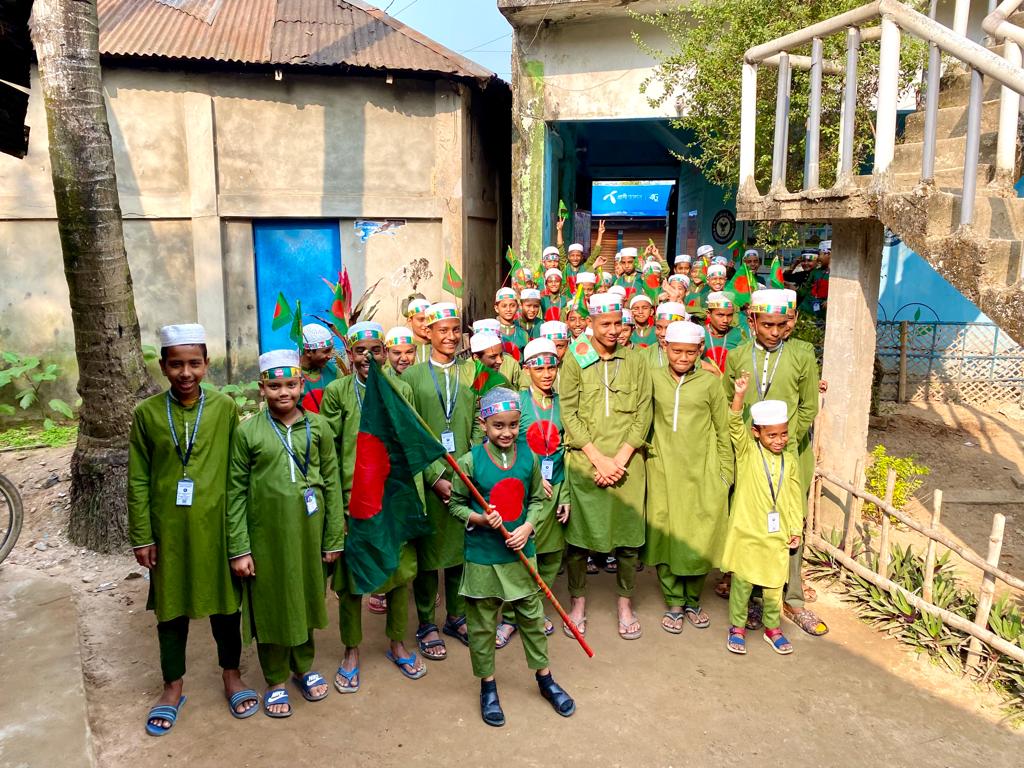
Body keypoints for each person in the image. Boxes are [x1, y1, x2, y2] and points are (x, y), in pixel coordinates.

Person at [128, 324, 256, 736]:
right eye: (177, 364)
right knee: (171, 608)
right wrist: (143, 535)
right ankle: (172, 686)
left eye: (195, 363)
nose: (186, 373)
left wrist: (241, 535)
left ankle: (231, 674)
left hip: (217, 528)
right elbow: (138, 479)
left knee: (225, 605)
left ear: (207, 364)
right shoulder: (146, 414)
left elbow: (238, 471)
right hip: (169, 532)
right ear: (163, 366)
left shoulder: (223, 408)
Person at [227, 349, 344, 717]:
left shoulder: (320, 427)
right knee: (272, 602)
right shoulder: (248, 432)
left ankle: (303, 668)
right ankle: (275, 677)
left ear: (302, 383)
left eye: (290, 384)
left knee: (307, 596)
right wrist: (240, 548)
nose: (283, 393)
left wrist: (333, 537)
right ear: (262, 388)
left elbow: (333, 484)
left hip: (309, 534)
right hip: (267, 536)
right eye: (274, 385)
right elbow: (235, 493)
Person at [449, 387, 575, 727]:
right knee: (482, 625)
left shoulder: (529, 458)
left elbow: (536, 499)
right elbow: (455, 505)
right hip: (483, 558)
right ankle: (487, 686)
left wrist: (529, 527)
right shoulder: (469, 461)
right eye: (498, 425)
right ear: (484, 424)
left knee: (532, 619)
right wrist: (478, 518)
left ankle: (545, 679)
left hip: (521, 555)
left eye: (513, 425)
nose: (506, 433)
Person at [321, 322, 427, 692]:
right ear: (350, 355)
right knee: (352, 582)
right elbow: (330, 455)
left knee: (398, 576)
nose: (368, 357)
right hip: (354, 505)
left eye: (375, 350)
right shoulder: (336, 393)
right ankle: (351, 650)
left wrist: (413, 505)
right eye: (360, 350)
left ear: (384, 353)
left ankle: (397, 643)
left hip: (393, 502)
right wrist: (338, 511)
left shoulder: (400, 389)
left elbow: (410, 448)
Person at [722, 289, 827, 637]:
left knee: (790, 525)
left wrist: (781, 445)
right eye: (767, 324)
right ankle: (751, 596)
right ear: (752, 320)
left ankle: (792, 598)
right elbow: (728, 402)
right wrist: (755, 446)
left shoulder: (802, 353)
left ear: (793, 321)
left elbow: (809, 406)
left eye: (782, 324)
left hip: (790, 454)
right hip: (750, 458)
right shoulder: (737, 355)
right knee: (752, 524)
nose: (774, 331)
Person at [560, 292, 652, 640]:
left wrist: (620, 459)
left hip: (628, 464)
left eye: (619, 323)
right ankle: (578, 603)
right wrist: (598, 459)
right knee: (579, 541)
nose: (614, 331)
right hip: (587, 463)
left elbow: (644, 411)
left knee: (629, 540)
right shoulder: (575, 357)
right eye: (606, 324)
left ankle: (625, 603)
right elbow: (569, 411)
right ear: (590, 324)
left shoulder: (636, 360)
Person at [403, 302, 482, 660]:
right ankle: (425, 622)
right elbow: (409, 432)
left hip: (466, 475)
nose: (450, 337)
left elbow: (483, 419)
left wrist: (474, 466)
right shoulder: (413, 377)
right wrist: (435, 477)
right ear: (428, 333)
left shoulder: (475, 371)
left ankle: (455, 616)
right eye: (443, 330)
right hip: (427, 478)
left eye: (456, 330)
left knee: (459, 552)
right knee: (427, 554)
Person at [644, 321, 732, 635]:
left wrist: (725, 474)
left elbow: (724, 429)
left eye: (690, 352)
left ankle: (693, 600)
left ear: (699, 351)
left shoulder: (710, 383)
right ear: (665, 348)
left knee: (699, 534)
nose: (682, 357)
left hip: (703, 470)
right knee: (666, 533)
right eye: (676, 350)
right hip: (663, 469)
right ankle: (674, 602)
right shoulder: (652, 379)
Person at [721, 381, 802, 656]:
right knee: (742, 585)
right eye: (772, 435)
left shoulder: (789, 461)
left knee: (773, 586)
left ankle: (772, 628)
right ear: (756, 433)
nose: (779, 440)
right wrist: (739, 396)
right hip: (747, 532)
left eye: (783, 434)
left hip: (776, 536)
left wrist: (795, 528)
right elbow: (734, 424)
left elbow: (793, 497)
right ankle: (737, 627)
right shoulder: (747, 452)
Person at [703, 291, 747, 374]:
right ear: (709, 314)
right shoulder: (699, 334)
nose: (725, 320)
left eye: (729, 315)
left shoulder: (739, 334)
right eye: (720, 315)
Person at [299, 323, 338, 413]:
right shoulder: (290, 374)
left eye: (331, 350)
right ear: (308, 351)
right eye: (326, 351)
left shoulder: (333, 371)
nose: (330, 356)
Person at [644, 301, 688, 370]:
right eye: (658, 327)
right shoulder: (645, 355)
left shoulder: (690, 353)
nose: (662, 334)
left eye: (668, 328)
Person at [799, 240, 830, 319]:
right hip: (808, 308)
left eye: (820, 254)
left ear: (828, 254)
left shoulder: (838, 275)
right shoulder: (815, 272)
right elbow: (804, 290)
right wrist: (793, 289)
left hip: (825, 313)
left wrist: (830, 301)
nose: (818, 258)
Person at [495, 288, 528, 360]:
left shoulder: (523, 334)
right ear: (496, 308)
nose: (508, 309)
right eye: (504, 306)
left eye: (512, 305)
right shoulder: (492, 333)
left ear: (517, 307)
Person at [402, 296, 433, 364]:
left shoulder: (439, 346)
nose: (426, 324)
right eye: (421, 320)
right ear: (410, 321)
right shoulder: (403, 348)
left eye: (428, 319)